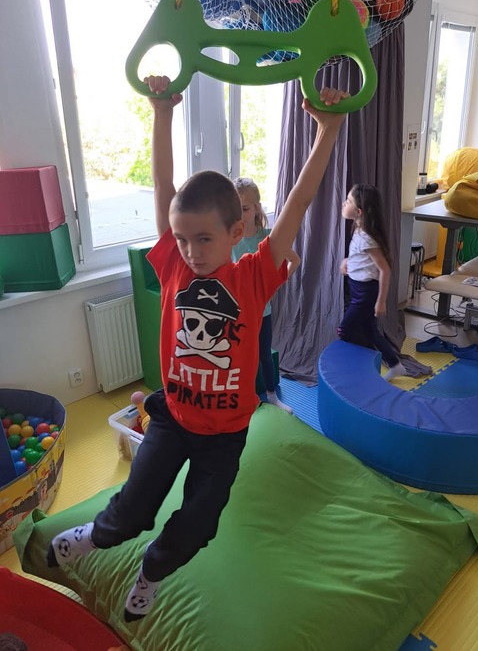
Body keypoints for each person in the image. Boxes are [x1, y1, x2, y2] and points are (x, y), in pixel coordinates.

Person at [47, 75, 349, 622]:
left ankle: (152, 571)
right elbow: (163, 188)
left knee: (200, 523)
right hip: (172, 419)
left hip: (225, 436)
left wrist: (327, 131)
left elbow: (300, 202)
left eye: (203, 238)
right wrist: (162, 113)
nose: (190, 250)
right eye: (182, 239)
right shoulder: (173, 267)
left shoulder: (254, 275)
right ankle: (95, 535)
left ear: (237, 231)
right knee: (131, 513)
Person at [232, 177, 300, 414]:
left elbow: (294, 260)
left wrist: (275, 284)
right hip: (237, 314)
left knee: (264, 355)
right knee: (241, 358)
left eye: (245, 209)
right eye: (235, 209)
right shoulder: (229, 239)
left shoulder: (268, 238)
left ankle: (272, 395)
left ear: (257, 207)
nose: (240, 215)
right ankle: (243, 399)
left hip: (263, 312)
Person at [338, 183, 407, 381]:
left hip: (366, 293)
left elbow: (384, 269)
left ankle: (353, 367)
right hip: (358, 289)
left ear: (359, 211)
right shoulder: (359, 230)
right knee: (370, 330)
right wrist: (348, 261)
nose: (344, 203)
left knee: (344, 330)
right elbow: (362, 257)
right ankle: (394, 365)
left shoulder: (367, 238)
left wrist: (381, 301)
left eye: (348, 201)